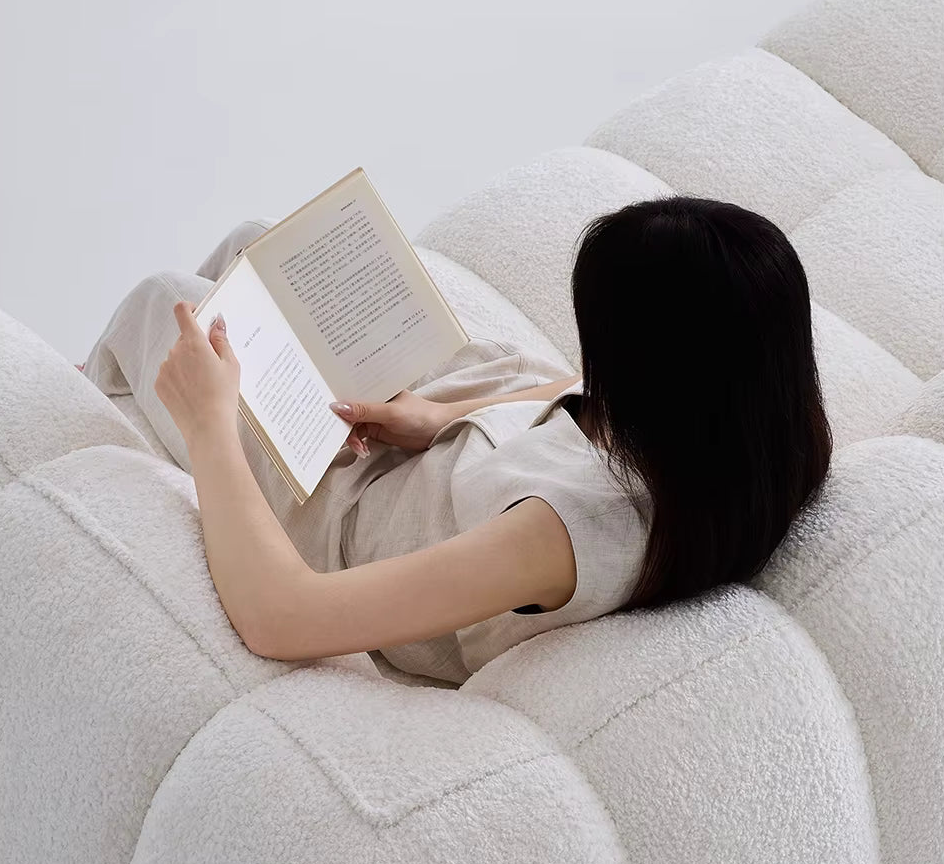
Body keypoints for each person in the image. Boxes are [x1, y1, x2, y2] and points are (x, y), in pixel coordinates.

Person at [82, 195, 832, 685]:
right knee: (256, 249)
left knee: (167, 304)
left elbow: (287, 618)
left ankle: (82, 407)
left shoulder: (561, 535)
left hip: (355, 517)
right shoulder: (758, 440)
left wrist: (211, 424)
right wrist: (438, 419)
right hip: (468, 435)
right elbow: (581, 392)